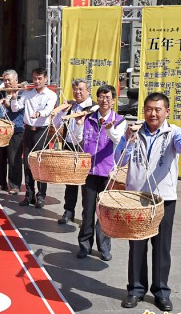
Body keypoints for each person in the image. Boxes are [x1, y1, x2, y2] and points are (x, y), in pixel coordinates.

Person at [115, 92, 181, 312]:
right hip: (136, 198)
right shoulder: (134, 131)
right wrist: (128, 140)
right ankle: (135, 290)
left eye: (157, 109)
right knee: (136, 244)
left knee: (162, 246)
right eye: (148, 109)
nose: (152, 113)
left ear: (166, 112)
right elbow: (119, 159)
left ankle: (161, 292)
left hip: (164, 199)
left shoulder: (173, 132)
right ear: (143, 110)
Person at [70, 84, 126, 261]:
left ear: (113, 100)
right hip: (88, 170)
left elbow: (118, 139)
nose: (104, 100)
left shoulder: (119, 120)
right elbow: (75, 139)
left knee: (104, 211)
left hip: (107, 172)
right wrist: (78, 124)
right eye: (101, 97)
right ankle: (85, 244)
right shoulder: (87, 118)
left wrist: (108, 128)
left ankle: (104, 247)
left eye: (108, 97)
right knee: (88, 209)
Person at [11, 67, 57, 208]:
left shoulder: (51, 95)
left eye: (39, 79)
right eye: (34, 78)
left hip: (41, 131)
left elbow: (49, 110)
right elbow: (15, 108)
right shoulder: (27, 93)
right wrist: (14, 96)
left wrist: (39, 114)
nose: (36, 81)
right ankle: (29, 194)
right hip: (28, 131)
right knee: (28, 163)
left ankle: (41, 196)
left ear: (45, 79)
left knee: (40, 164)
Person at [52, 78, 95, 224]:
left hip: (85, 149)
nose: (77, 92)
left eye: (81, 89)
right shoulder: (70, 105)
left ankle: (86, 216)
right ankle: (68, 211)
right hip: (69, 146)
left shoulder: (93, 108)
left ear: (88, 91)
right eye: (75, 89)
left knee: (86, 185)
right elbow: (56, 124)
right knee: (70, 182)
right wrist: (61, 112)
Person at [0, 69, 25, 194]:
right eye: (5, 80)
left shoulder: (22, 92)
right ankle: (0, 183)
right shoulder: (2, 92)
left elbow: (17, 108)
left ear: (16, 80)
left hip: (15, 128)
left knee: (14, 158)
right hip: (1, 128)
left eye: (9, 80)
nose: (6, 82)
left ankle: (15, 185)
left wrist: (9, 101)